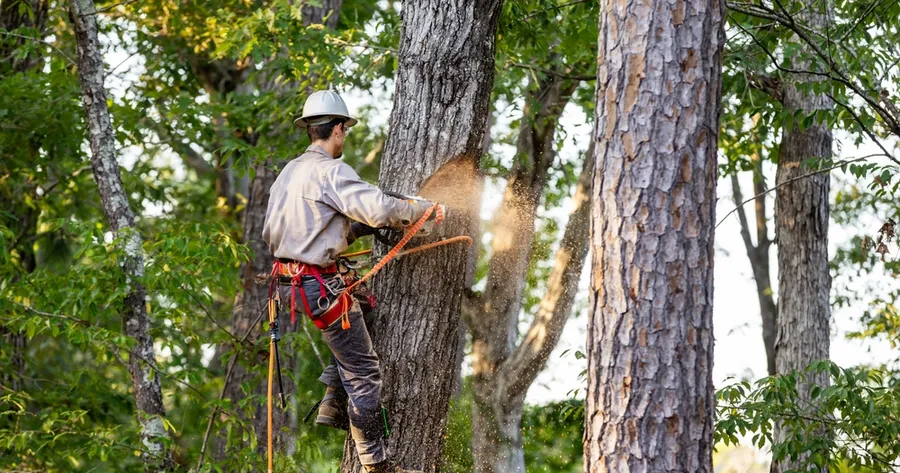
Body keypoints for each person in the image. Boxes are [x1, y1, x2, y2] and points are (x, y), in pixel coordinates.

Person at [262, 90, 436, 473]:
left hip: (293, 283)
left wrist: (353, 230)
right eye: (345, 130)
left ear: (311, 128)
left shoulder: (289, 172)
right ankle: (376, 464)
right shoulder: (330, 171)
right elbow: (377, 207)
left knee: (366, 309)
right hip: (317, 285)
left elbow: (304, 228)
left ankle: (332, 398)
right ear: (338, 129)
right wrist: (417, 211)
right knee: (364, 372)